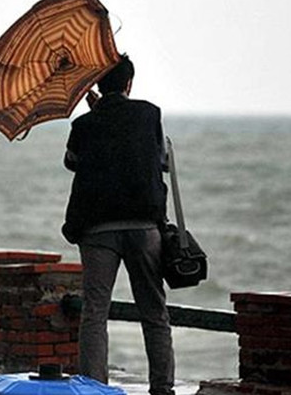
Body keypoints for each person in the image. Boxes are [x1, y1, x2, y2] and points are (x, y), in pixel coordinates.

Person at [61, 55, 175, 395]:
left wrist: (96, 116)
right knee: (154, 312)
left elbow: (72, 163)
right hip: (144, 227)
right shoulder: (149, 114)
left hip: (97, 230)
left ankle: (95, 389)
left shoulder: (83, 125)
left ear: (97, 85)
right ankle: (163, 389)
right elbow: (159, 161)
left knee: (94, 313)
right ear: (129, 84)